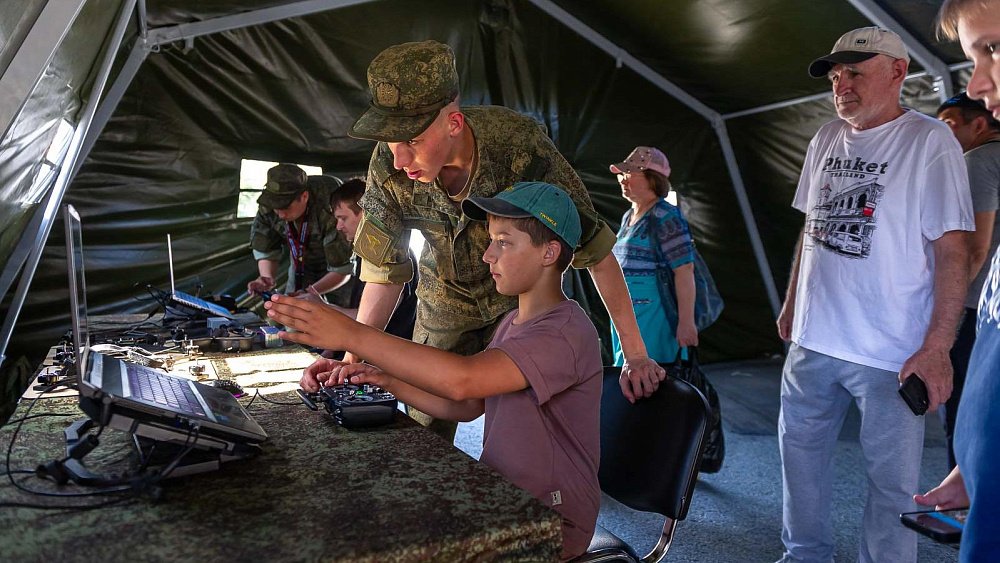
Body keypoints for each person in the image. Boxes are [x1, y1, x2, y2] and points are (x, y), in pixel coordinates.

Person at [303, 40, 661, 438]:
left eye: (413, 141)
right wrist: (350, 360)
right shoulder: (388, 165)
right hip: (443, 304)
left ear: (453, 123)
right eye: (390, 140)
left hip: (520, 308)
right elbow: (383, 270)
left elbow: (594, 249)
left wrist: (636, 354)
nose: (400, 160)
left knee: (529, 433)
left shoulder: (519, 147)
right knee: (421, 433)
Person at [269, 182, 601, 560]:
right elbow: (469, 404)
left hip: (550, 520)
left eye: (504, 242)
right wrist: (384, 379)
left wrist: (354, 335)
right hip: (501, 496)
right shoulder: (514, 322)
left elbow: (463, 380)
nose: (488, 256)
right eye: (490, 240)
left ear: (550, 253)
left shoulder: (563, 333)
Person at [775, 26, 973, 563]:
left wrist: (937, 348)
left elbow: (953, 249)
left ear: (897, 72)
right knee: (800, 463)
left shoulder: (930, 141)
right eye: (836, 75)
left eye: (855, 72)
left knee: (892, 488)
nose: (842, 84)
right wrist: (793, 301)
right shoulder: (823, 139)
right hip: (813, 342)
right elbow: (810, 228)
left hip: (891, 351)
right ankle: (804, 556)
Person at [914, 3, 1000, 561]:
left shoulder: (980, 164)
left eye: (994, 49)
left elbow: (970, 248)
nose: (979, 83)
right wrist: (976, 460)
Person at [936, 92, 1000, 469]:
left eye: (949, 125)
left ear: (979, 124)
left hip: (978, 310)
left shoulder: (978, 159)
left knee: (964, 412)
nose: (942, 135)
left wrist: (946, 318)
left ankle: (962, 510)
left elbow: (974, 249)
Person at [608, 146, 697, 364]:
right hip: (627, 315)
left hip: (653, 316)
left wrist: (686, 322)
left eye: (629, 174)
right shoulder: (629, 216)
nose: (622, 179)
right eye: (622, 174)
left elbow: (684, 270)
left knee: (650, 376)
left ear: (652, 180)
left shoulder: (665, 216)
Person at [248, 165, 356, 307]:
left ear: (304, 196)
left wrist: (310, 293)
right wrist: (266, 278)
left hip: (336, 271)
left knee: (337, 318)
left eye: (285, 206)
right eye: (276, 206)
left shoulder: (329, 202)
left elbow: (342, 269)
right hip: (301, 264)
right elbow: (266, 247)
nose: (280, 214)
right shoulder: (268, 205)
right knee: (292, 313)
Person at [329, 177, 417, 340]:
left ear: (364, 213)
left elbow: (373, 318)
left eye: (343, 218)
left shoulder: (391, 254)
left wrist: (326, 309)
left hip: (390, 356)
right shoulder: (365, 252)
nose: (338, 226)